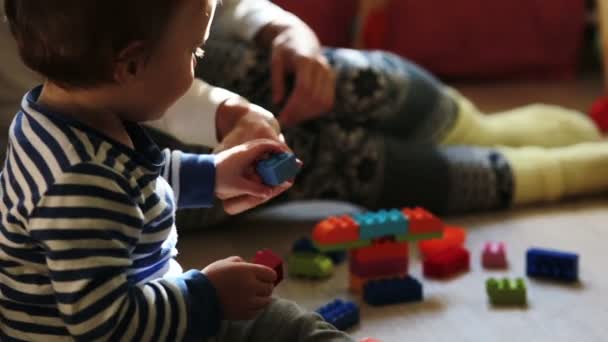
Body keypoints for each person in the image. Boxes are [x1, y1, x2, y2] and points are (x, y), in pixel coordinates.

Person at [0, 0, 354, 341]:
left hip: (151, 307)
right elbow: (106, 326)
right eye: (194, 52)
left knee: (282, 322)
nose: (198, 64)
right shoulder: (78, 184)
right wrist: (208, 296)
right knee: (281, 326)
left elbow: (131, 182)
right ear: (131, 66)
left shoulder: (52, 117)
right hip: (130, 328)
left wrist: (214, 174)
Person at [151, 0, 608, 228]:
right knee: (340, 165)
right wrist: (227, 115)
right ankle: (554, 172)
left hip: (205, 77)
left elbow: (225, 7)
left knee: (354, 80)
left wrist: (283, 27)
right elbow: (144, 89)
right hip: (157, 156)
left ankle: (478, 129)